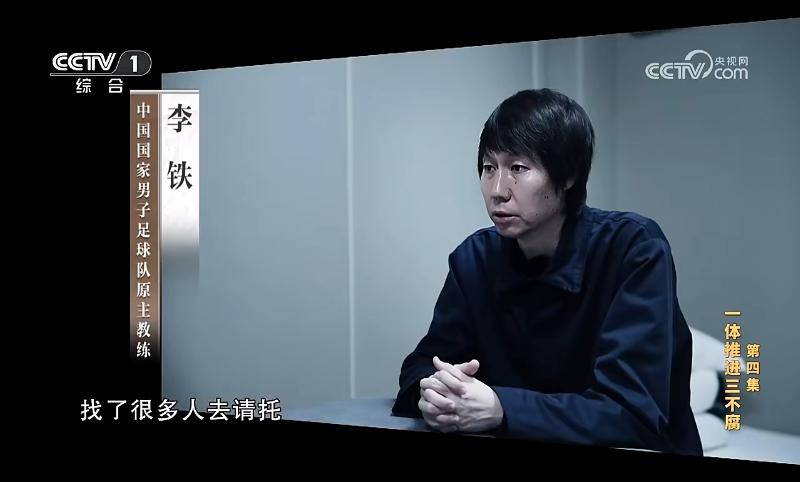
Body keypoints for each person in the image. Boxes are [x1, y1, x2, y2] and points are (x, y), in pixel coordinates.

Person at [391, 88, 703, 456]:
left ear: (567, 175)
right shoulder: (474, 258)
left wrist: (502, 408)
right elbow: (422, 365)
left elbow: (631, 413)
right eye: (489, 168)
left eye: (518, 169)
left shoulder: (634, 248)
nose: (497, 190)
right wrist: (434, 391)